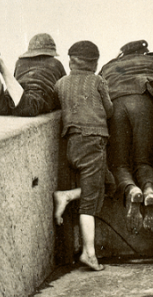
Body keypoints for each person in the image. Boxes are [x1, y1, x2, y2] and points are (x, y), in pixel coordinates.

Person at [51, 40, 113, 271]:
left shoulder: (60, 83)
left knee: (105, 184)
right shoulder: (97, 81)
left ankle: (67, 196)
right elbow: (109, 110)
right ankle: (89, 252)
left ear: (70, 61)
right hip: (93, 141)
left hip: (72, 143)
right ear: (95, 63)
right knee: (90, 201)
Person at [99, 40, 153, 233]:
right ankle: (149, 190)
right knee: (143, 162)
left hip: (116, 105)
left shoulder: (109, 65)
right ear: (144, 53)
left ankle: (131, 190)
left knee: (119, 164)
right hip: (144, 103)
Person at [0, 33, 65, 116]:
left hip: (17, 93)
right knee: (28, 107)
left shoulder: (20, 62)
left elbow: (13, 84)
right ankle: (1, 66)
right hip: (33, 96)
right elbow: (63, 89)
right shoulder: (56, 63)